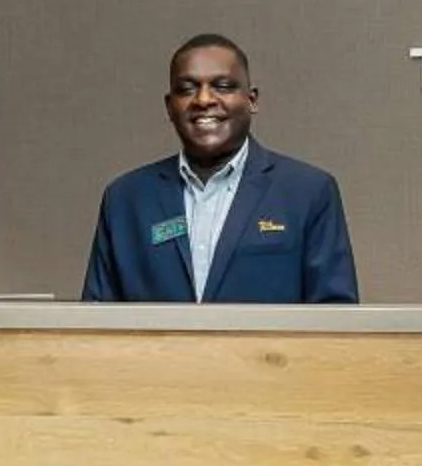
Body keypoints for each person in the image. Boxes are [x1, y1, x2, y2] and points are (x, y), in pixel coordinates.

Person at [82, 34, 360, 303]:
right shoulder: (125, 198)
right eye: (187, 88)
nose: (203, 100)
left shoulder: (308, 192)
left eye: (223, 86)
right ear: (169, 106)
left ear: (251, 100)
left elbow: (335, 320)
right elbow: (94, 322)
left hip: (268, 354)